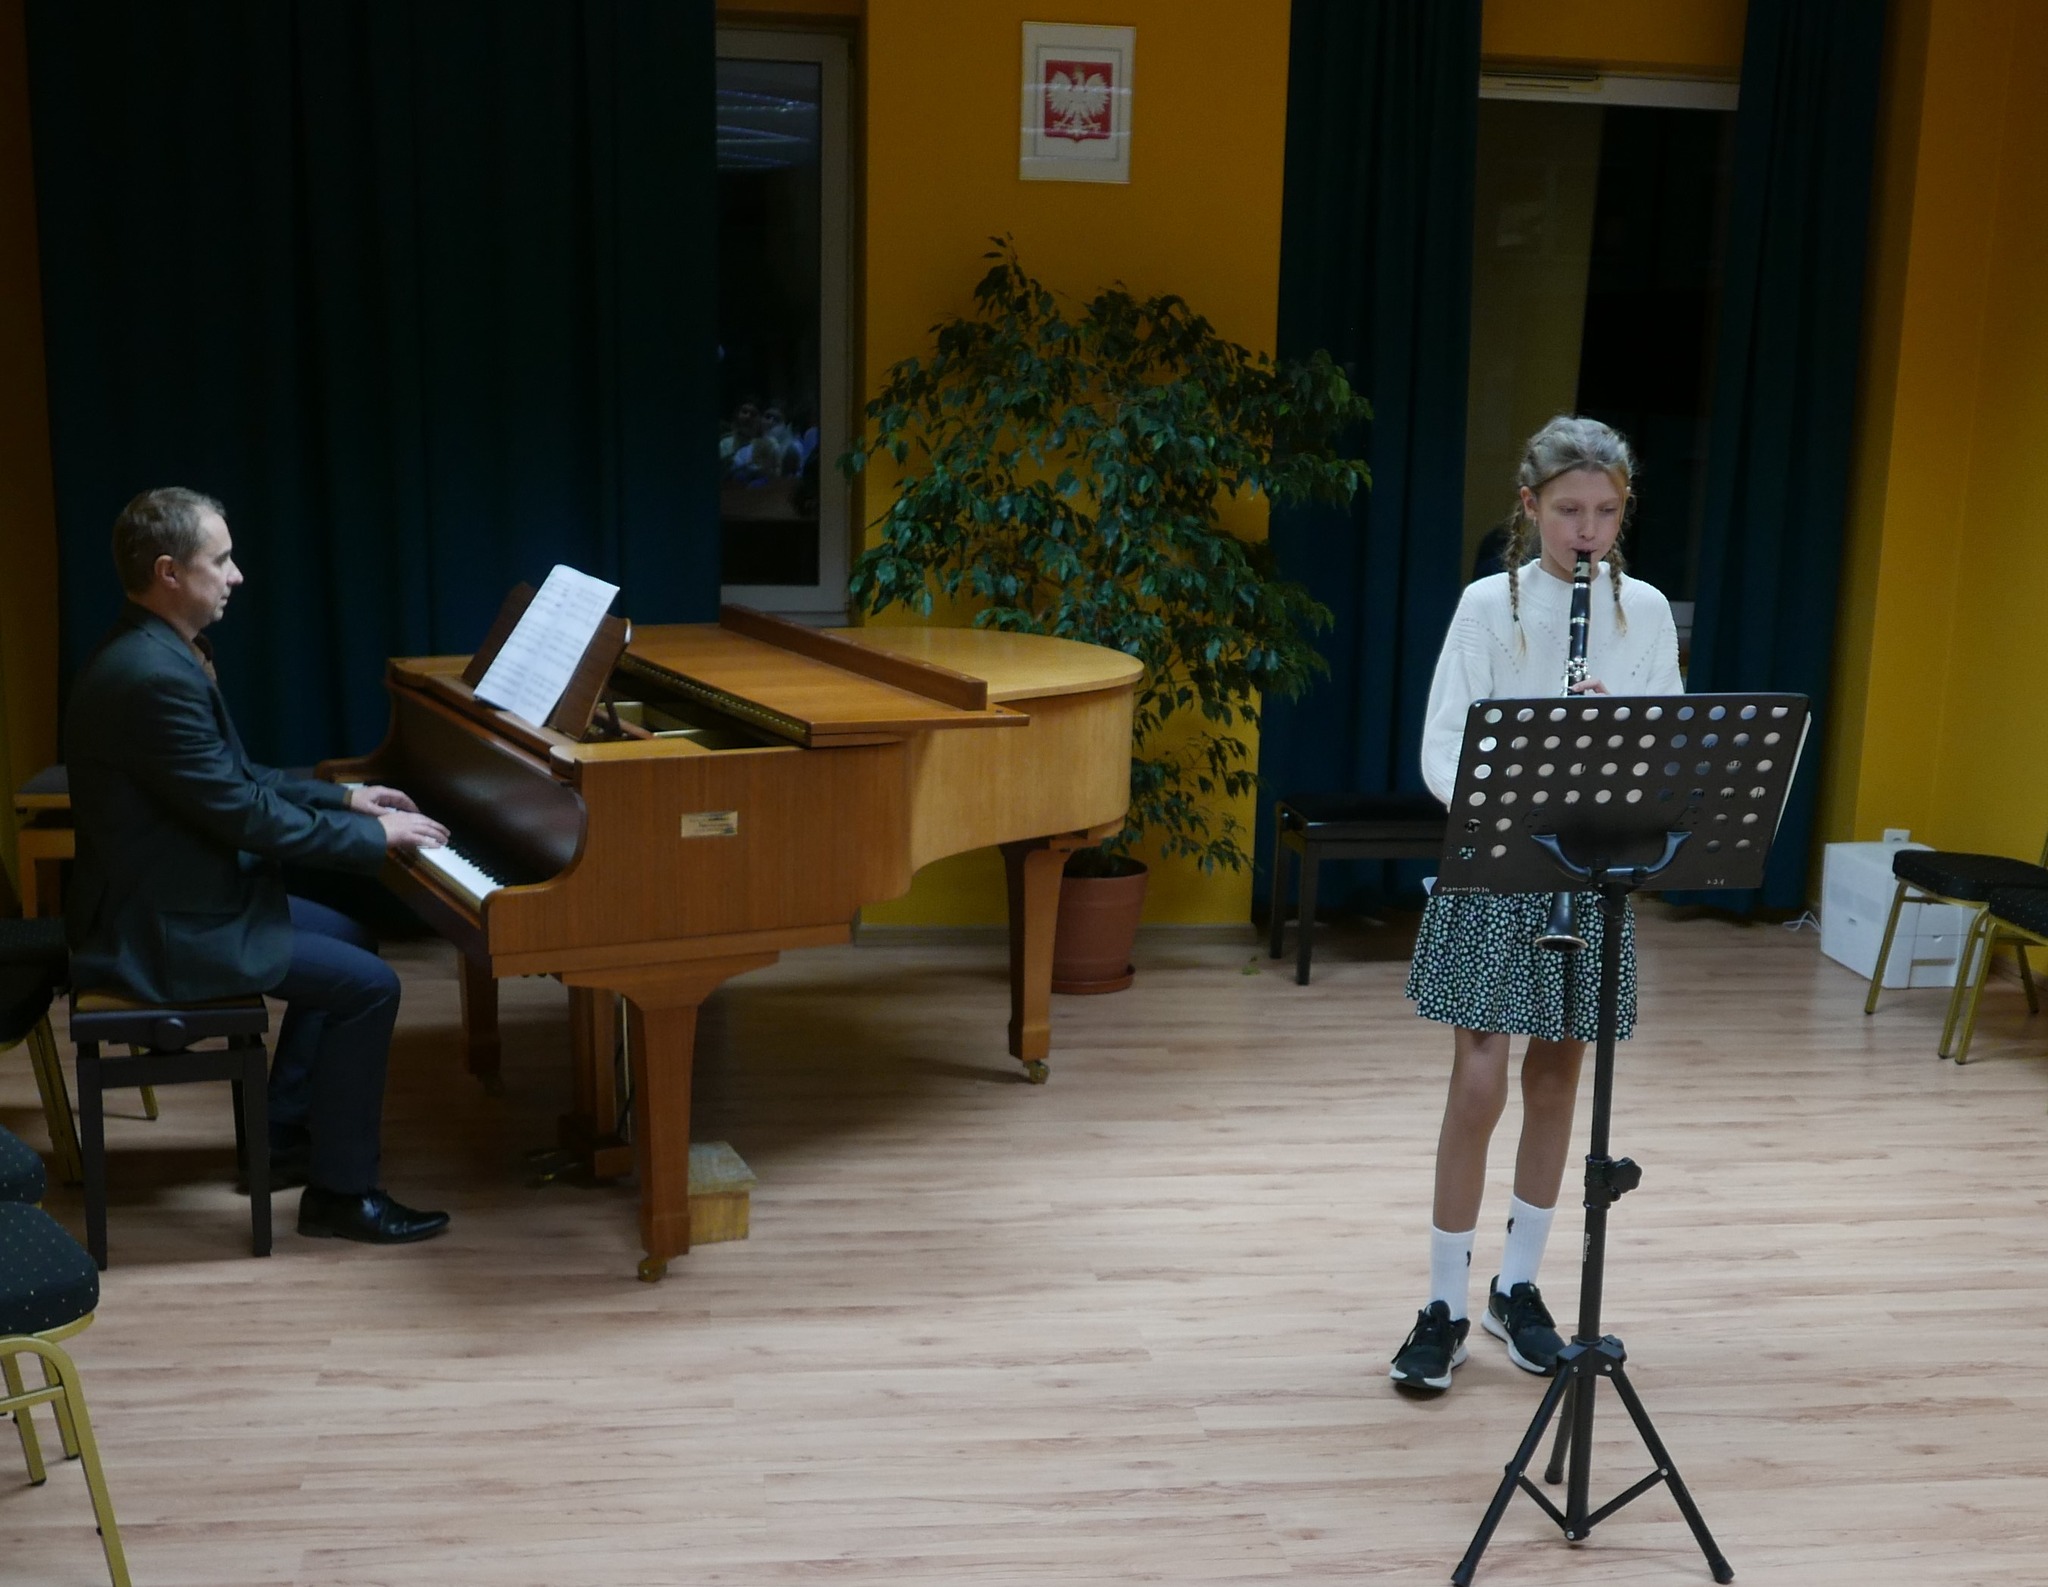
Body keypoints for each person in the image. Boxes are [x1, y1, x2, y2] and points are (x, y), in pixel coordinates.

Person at [64, 487, 455, 1246]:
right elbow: (243, 815)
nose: (237, 575)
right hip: (161, 926)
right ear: (170, 572)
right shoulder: (152, 675)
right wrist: (374, 840)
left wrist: (346, 798)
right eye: (222, 560)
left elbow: (234, 779)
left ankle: (280, 1136)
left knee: (353, 939)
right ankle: (342, 1194)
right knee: (371, 988)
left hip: (175, 895)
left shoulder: (156, 650)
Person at [1388, 417, 1684, 1393]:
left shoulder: (1643, 611)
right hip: (1497, 856)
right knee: (1478, 1080)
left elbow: (1665, 752)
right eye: (1566, 511)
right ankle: (1441, 1302)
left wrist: (1612, 735)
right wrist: (1520, 779)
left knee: (1557, 1079)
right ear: (1530, 507)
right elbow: (1443, 745)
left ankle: (1517, 1289)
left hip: (1589, 869)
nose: (1585, 531)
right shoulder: (1489, 604)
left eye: (1604, 511)